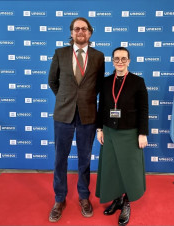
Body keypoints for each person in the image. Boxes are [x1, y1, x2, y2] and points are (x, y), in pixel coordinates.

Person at [48, 17, 105, 223]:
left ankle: (83, 197)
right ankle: (59, 199)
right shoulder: (60, 53)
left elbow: (98, 85)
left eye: (84, 28)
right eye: (76, 29)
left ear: (90, 32)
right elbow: (52, 81)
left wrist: (85, 99)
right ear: (71, 33)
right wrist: (66, 99)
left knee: (85, 159)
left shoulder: (99, 56)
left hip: (88, 114)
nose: (80, 31)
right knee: (60, 158)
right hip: (63, 113)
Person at [95, 47, 148, 226]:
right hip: (109, 132)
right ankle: (117, 199)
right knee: (113, 168)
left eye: (123, 58)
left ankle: (126, 202)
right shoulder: (105, 81)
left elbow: (144, 110)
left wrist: (142, 133)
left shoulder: (137, 82)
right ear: (112, 61)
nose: (120, 61)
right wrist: (99, 129)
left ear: (129, 61)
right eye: (116, 58)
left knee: (129, 170)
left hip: (130, 133)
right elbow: (101, 106)